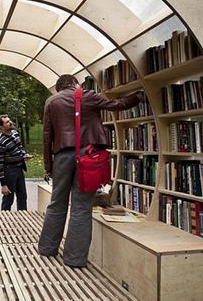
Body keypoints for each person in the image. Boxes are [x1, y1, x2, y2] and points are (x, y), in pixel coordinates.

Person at [38, 74, 143, 268]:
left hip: (61, 157)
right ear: (75, 84)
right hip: (87, 156)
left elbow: (47, 136)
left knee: (57, 203)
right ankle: (74, 259)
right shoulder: (87, 95)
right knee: (81, 207)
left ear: (60, 88)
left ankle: (47, 248)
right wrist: (138, 97)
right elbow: (117, 104)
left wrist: (48, 165)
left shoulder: (51, 101)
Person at [0, 115, 33, 211]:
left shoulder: (15, 133)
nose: (10, 122)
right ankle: (3, 221)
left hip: (19, 169)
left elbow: (20, 148)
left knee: (22, 197)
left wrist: (24, 155)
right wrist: (3, 185)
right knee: (8, 199)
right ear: (1, 127)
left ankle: (23, 218)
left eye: (9, 120)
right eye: (7, 122)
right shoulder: (0, 142)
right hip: (9, 172)